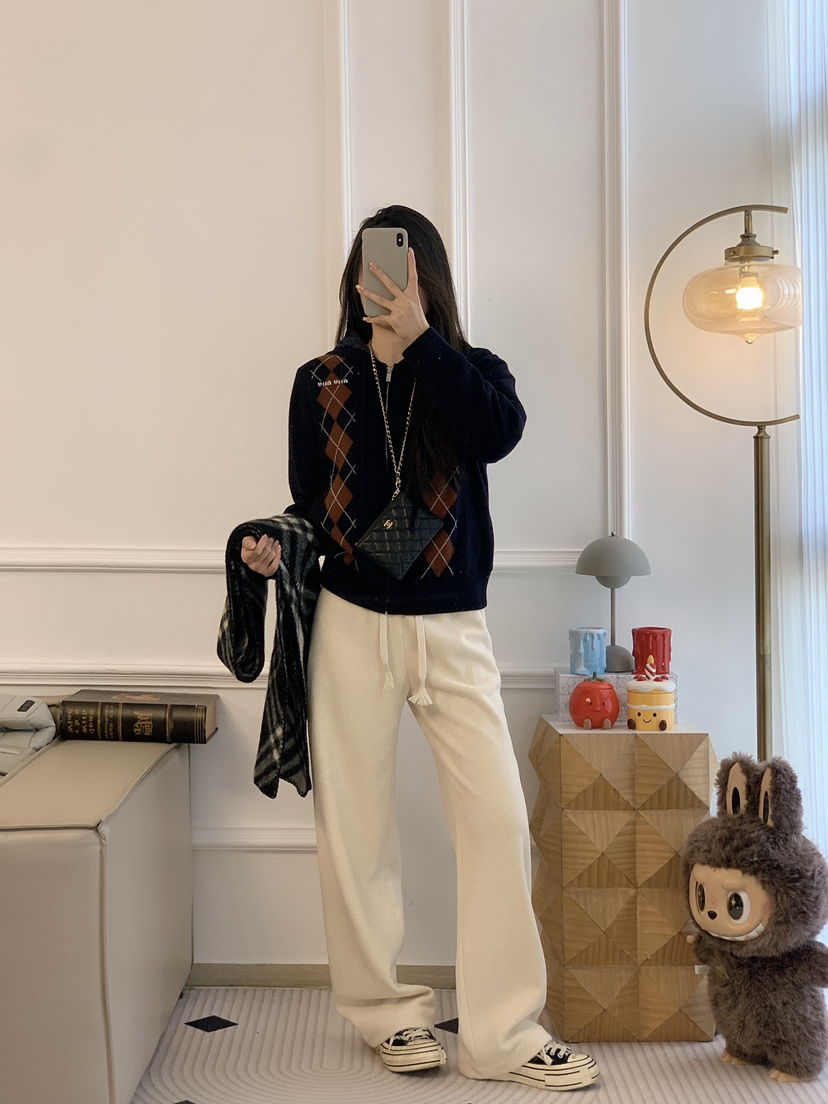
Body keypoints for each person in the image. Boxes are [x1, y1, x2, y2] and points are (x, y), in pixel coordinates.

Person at [240, 205, 599, 1092]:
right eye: (373, 270)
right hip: (350, 622)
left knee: (497, 822)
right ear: (355, 278)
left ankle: (504, 1034)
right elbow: (308, 503)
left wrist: (423, 342)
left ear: (425, 277)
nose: (385, 284)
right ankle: (386, 1015)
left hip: (453, 626)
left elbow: (497, 436)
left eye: (401, 270)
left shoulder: (473, 369)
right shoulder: (319, 380)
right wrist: (272, 545)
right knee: (355, 830)